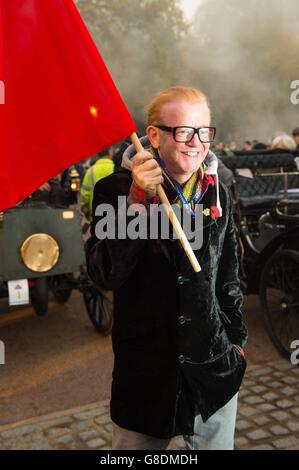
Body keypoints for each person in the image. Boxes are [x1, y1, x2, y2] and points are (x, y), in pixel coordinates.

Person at [86, 86, 247, 450]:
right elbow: (104, 273)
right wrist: (137, 203)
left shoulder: (218, 187)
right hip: (147, 374)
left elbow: (230, 276)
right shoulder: (116, 189)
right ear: (154, 136)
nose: (195, 142)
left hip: (213, 367)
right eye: (182, 131)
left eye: (204, 131)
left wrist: (235, 344)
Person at [80, 149, 114, 220]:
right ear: (109, 154)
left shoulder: (90, 171)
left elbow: (85, 195)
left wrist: (84, 208)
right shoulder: (116, 168)